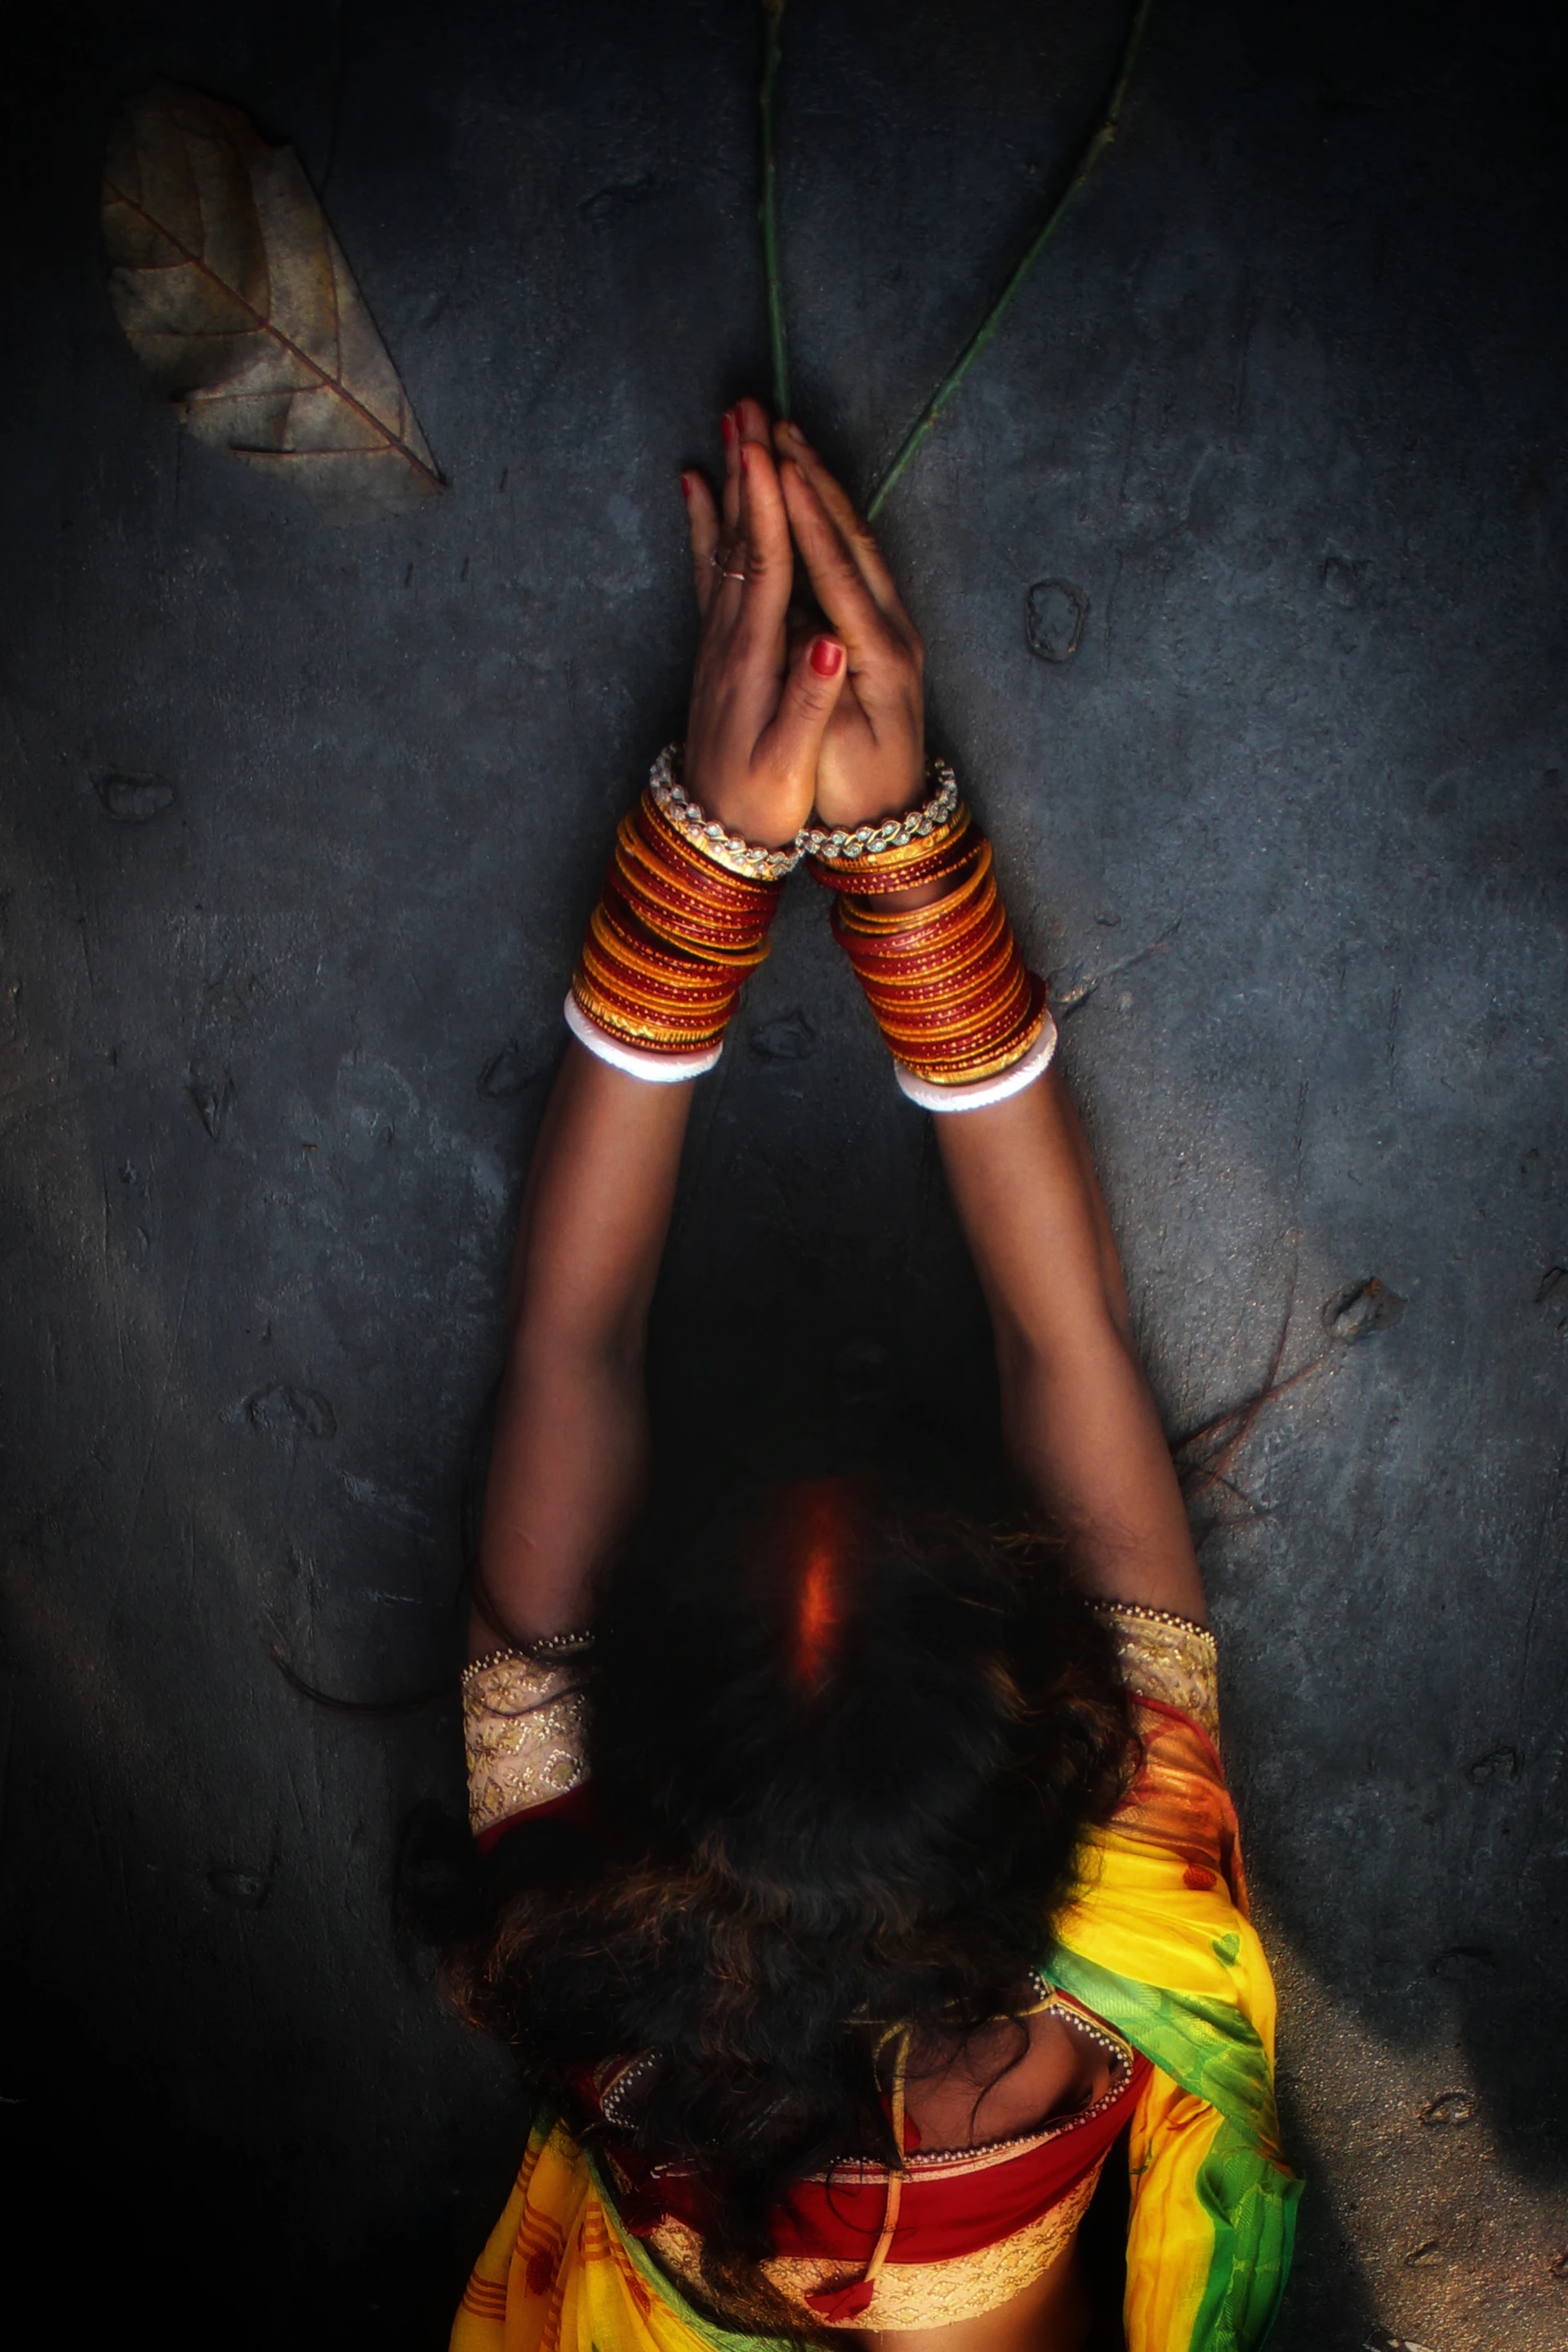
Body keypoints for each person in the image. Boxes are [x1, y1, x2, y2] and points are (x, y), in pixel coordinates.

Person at [444, 401, 1298, 2352]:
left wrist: (712, 855)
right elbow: (1059, 1332)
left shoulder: (585, 1930)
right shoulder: (607, 1961)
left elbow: (579, 1346)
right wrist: (891, 859)